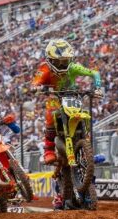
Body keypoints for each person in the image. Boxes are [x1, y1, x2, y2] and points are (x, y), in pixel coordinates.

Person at [30, 39, 102, 210]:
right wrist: (37, 88)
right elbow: (35, 82)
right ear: (50, 60)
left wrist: (97, 87)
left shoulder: (73, 67)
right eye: (59, 61)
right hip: (56, 98)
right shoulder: (44, 68)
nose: (62, 64)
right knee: (50, 113)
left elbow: (94, 73)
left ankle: (87, 149)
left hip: (72, 98)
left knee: (85, 116)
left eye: (65, 61)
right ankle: (48, 149)